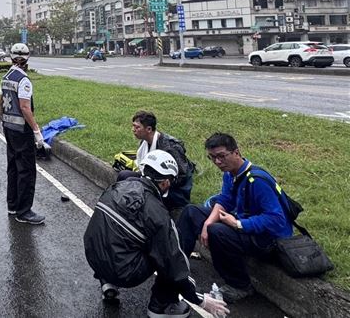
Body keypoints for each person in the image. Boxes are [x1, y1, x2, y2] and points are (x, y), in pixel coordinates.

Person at [84, 150, 230, 318]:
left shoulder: (116, 187)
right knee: (169, 248)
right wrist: (200, 300)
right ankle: (161, 306)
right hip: (124, 272)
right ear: (166, 183)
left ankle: (107, 283)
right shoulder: (158, 214)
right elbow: (175, 264)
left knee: (115, 232)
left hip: (93, 258)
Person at [177, 133, 293, 303]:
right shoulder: (230, 174)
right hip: (245, 223)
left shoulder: (256, 181)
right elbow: (225, 199)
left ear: (236, 152)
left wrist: (238, 224)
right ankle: (177, 266)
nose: (217, 162)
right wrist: (208, 221)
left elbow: (276, 220)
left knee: (217, 231)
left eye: (221, 156)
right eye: (212, 158)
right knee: (191, 211)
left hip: (268, 240)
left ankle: (240, 285)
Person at [0, 43, 44, 225]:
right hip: (21, 130)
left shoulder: (6, 77)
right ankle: (24, 211)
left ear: (11, 57)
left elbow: (1, 101)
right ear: (27, 58)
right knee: (26, 170)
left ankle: (12, 205)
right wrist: (36, 131)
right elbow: (25, 108)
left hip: (9, 128)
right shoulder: (23, 80)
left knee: (13, 167)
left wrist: (4, 119)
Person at [117, 111, 194, 214]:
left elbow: (182, 176)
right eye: (133, 126)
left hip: (172, 189)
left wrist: (155, 182)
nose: (133, 130)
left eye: (137, 127)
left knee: (132, 181)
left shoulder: (169, 147)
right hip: (153, 178)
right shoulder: (144, 142)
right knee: (124, 175)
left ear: (148, 129)